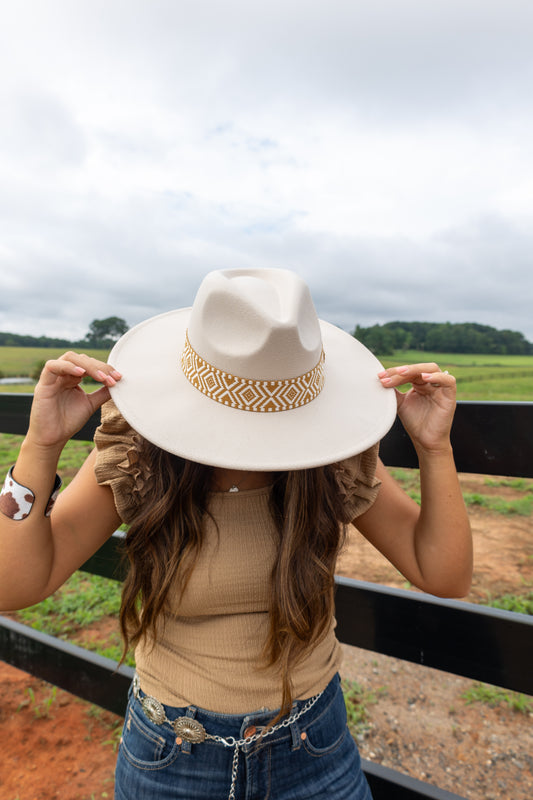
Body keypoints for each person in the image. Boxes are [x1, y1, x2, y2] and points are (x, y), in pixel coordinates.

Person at [0, 269, 472, 800]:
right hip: (172, 753)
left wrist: (435, 448)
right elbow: (15, 584)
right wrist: (40, 445)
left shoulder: (332, 459)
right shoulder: (139, 453)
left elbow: (444, 573)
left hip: (312, 747)